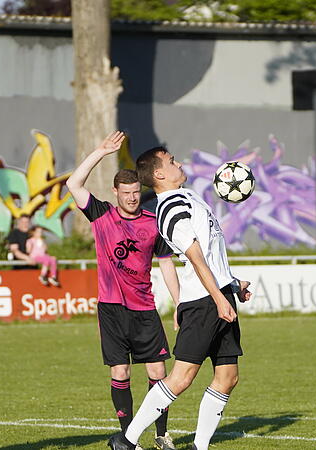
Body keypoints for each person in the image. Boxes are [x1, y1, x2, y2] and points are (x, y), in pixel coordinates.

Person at [108, 145, 252, 450]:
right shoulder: (170, 207)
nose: (179, 163)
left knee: (228, 377)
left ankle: (199, 447)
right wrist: (218, 297)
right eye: (172, 161)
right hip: (204, 302)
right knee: (182, 377)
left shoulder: (188, 196)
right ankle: (126, 439)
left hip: (219, 294)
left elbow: (210, 254)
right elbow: (194, 256)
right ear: (159, 173)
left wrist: (233, 284)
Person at [66, 131, 181, 450]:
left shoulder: (153, 222)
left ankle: (161, 434)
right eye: (125, 192)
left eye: (135, 192)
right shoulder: (101, 214)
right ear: (115, 191)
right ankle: (129, 438)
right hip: (112, 309)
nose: (131, 197)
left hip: (145, 309)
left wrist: (179, 304)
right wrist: (100, 152)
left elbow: (167, 265)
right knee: (120, 371)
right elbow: (72, 185)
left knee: (159, 371)